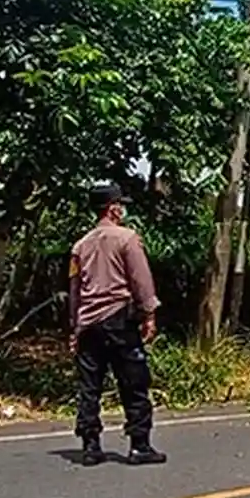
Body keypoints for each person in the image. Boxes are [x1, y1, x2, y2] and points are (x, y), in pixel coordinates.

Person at [68, 183, 166, 466]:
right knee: (134, 382)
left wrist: (75, 326)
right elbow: (140, 280)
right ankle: (139, 445)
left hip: (88, 324)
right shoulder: (127, 239)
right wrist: (149, 313)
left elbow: (74, 289)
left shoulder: (80, 246)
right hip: (119, 319)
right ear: (113, 208)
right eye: (120, 205)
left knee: (89, 386)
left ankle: (90, 446)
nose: (123, 210)